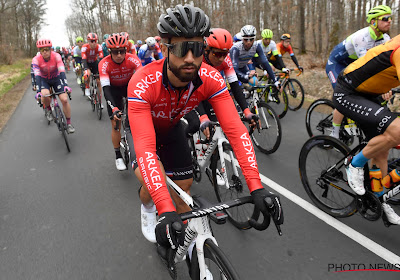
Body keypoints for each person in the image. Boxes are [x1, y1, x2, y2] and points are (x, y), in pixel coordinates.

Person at [127, 4, 283, 252]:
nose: (190, 57)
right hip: (145, 133)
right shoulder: (143, 81)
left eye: (197, 48)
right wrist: (165, 210)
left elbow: (236, 130)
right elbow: (146, 148)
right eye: (181, 48)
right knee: (154, 183)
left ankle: (193, 250)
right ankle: (148, 207)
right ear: (167, 48)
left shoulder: (211, 78)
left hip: (172, 130)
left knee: (184, 187)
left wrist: (256, 186)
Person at [333, 34, 400, 225]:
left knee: (382, 150)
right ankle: (354, 163)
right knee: (397, 130)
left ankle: (380, 198)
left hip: (371, 95)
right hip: (348, 92)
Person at [184, 28, 260, 185]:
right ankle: (184, 149)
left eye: (225, 54)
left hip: (211, 94)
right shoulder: (197, 60)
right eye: (217, 53)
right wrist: (202, 116)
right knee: (195, 123)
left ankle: (211, 165)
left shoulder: (225, 61)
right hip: (191, 95)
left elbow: (235, 87)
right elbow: (191, 92)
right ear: (207, 49)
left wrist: (247, 111)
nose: (221, 58)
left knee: (215, 128)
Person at [327, 5, 392, 139]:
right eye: (385, 18)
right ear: (373, 22)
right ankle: (333, 135)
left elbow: (385, 66)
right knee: (343, 96)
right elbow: (368, 68)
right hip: (337, 64)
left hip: (353, 65)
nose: (389, 21)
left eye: (390, 18)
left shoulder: (385, 39)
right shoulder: (361, 37)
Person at [98, 33, 142, 171]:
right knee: (116, 123)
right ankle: (118, 155)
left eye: (122, 51)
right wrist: (114, 108)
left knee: (139, 116)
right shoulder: (104, 64)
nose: (119, 55)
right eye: (115, 52)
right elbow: (105, 89)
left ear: (126, 50)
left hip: (130, 87)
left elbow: (142, 82)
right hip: (113, 90)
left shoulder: (133, 60)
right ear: (109, 51)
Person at [32, 39, 74, 133]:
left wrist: (66, 85)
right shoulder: (36, 59)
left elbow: (62, 70)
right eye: (42, 50)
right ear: (39, 51)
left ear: (51, 49)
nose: (45, 52)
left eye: (47, 49)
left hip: (56, 79)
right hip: (44, 80)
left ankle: (69, 123)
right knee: (45, 95)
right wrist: (38, 91)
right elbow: (37, 75)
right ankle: (48, 109)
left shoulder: (56, 56)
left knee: (64, 99)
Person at [81, 33, 104, 98]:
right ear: (88, 41)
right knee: (87, 74)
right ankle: (87, 87)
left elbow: (101, 58)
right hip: (87, 62)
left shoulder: (99, 47)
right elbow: (84, 58)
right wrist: (85, 69)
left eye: (95, 41)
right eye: (92, 41)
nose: (94, 43)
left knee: (98, 81)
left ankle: (100, 98)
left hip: (94, 62)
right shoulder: (84, 47)